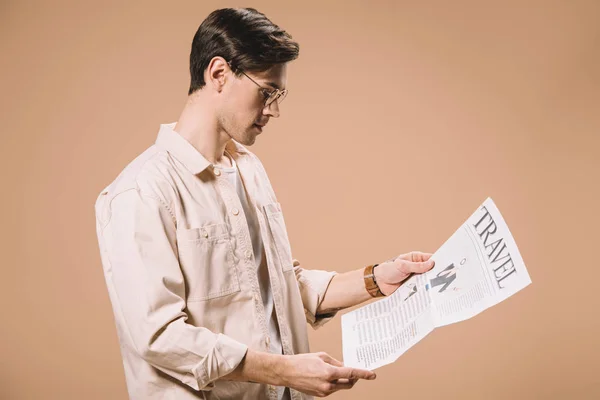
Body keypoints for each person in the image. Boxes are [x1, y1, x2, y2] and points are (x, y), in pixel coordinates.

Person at [94, 7, 435, 400]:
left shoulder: (249, 170)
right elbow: (159, 336)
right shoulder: (139, 192)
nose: (274, 109)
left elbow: (278, 287)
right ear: (218, 74)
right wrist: (287, 371)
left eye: (279, 94)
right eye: (267, 92)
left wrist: (377, 279)